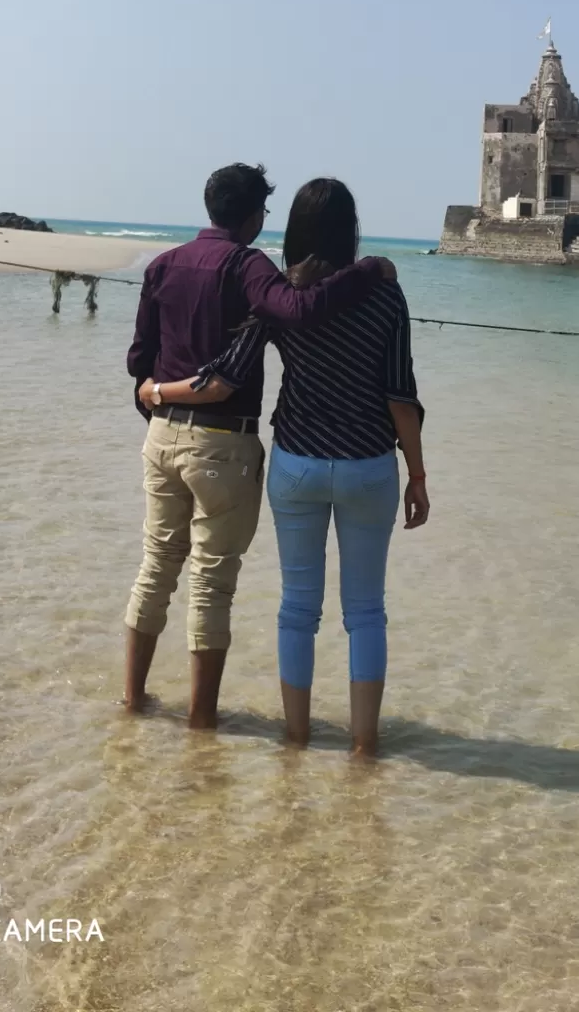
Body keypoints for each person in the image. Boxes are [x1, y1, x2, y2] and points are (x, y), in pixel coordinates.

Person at [148, 177, 428, 758]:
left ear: (296, 230)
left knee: (298, 608)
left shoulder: (279, 296)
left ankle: (295, 738)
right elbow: (401, 395)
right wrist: (419, 475)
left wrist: (157, 391)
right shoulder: (385, 296)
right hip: (368, 465)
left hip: (297, 462)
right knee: (366, 610)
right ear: (350, 231)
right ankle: (363, 746)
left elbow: (223, 375)